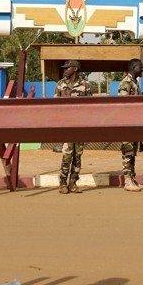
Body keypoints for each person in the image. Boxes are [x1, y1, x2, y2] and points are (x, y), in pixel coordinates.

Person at [55, 59, 92, 193]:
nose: (65, 70)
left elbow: (90, 108)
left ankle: (73, 182)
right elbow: (55, 106)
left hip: (80, 125)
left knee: (78, 155)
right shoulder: (60, 84)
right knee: (67, 154)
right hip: (66, 125)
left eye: (67, 68)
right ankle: (63, 183)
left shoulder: (85, 85)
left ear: (75, 69)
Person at [117, 58, 143, 192]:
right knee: (127, 152)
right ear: (134, 68)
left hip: (134, 123)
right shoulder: (126, 82)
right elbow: (123, 104)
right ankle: (127, 181)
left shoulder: (134, 83)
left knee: (132, 153)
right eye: (140, 67)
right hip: (126, 123)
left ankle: (132, 179)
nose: (142, 69)